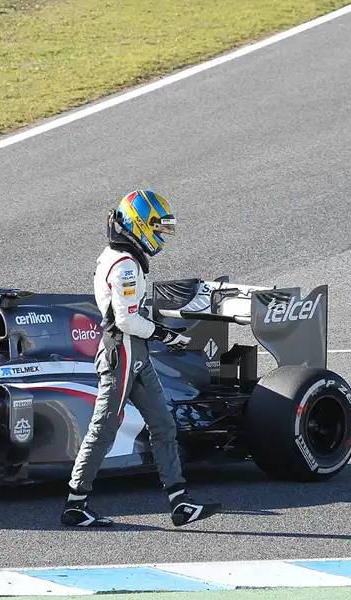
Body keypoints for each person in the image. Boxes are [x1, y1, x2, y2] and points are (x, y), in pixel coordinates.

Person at [60, 190, 222, 528]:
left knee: (163, 424)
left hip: (135, 353)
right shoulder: (125, 265)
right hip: (122, 352)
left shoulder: (121, 256)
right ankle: (75, 504)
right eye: (157, 228)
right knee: (103, 428)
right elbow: (127, 320)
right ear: (139, 224)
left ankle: (179, 502)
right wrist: (166, 334)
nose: (161, 235)